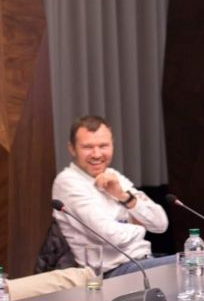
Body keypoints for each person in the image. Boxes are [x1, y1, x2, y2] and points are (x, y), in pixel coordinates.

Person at [52, 115, 174, 278]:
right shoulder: (68, 181)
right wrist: (141, 225)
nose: (97, 154)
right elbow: (111, 236)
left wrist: (124, 197)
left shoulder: (112, 175)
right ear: (72, 149)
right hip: (111, 273)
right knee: (198, 262)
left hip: (143, 262)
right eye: (88, 147)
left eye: (103, 146)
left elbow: (160, 223)